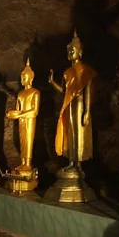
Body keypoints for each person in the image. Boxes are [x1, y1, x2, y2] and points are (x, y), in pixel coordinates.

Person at [48, 30, 97, 172]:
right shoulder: (67, 72)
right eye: (69, 51)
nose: (70, 53)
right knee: (70, 133)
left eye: (73, 51)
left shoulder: (85, 69)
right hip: (69, 104)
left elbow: (87, 89)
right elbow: (65, 91)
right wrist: (52, 82)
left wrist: (87, 111)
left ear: (80, 52)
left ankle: (79, 164)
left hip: (81, 104)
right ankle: (71, 161)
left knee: (79, 132)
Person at [6, 59, 40, 172]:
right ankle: (23, 162)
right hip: (21, 121)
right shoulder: (20, 94)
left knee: (28, 140)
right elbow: (18, 109)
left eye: (24, 77)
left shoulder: (35, 92)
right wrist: (12, 114)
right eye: (21, 77)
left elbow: (35, 111)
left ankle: (28, 163)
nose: (22, 80)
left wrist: (20, 114)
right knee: (22, 141)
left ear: (30, 78)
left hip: (30, 121)